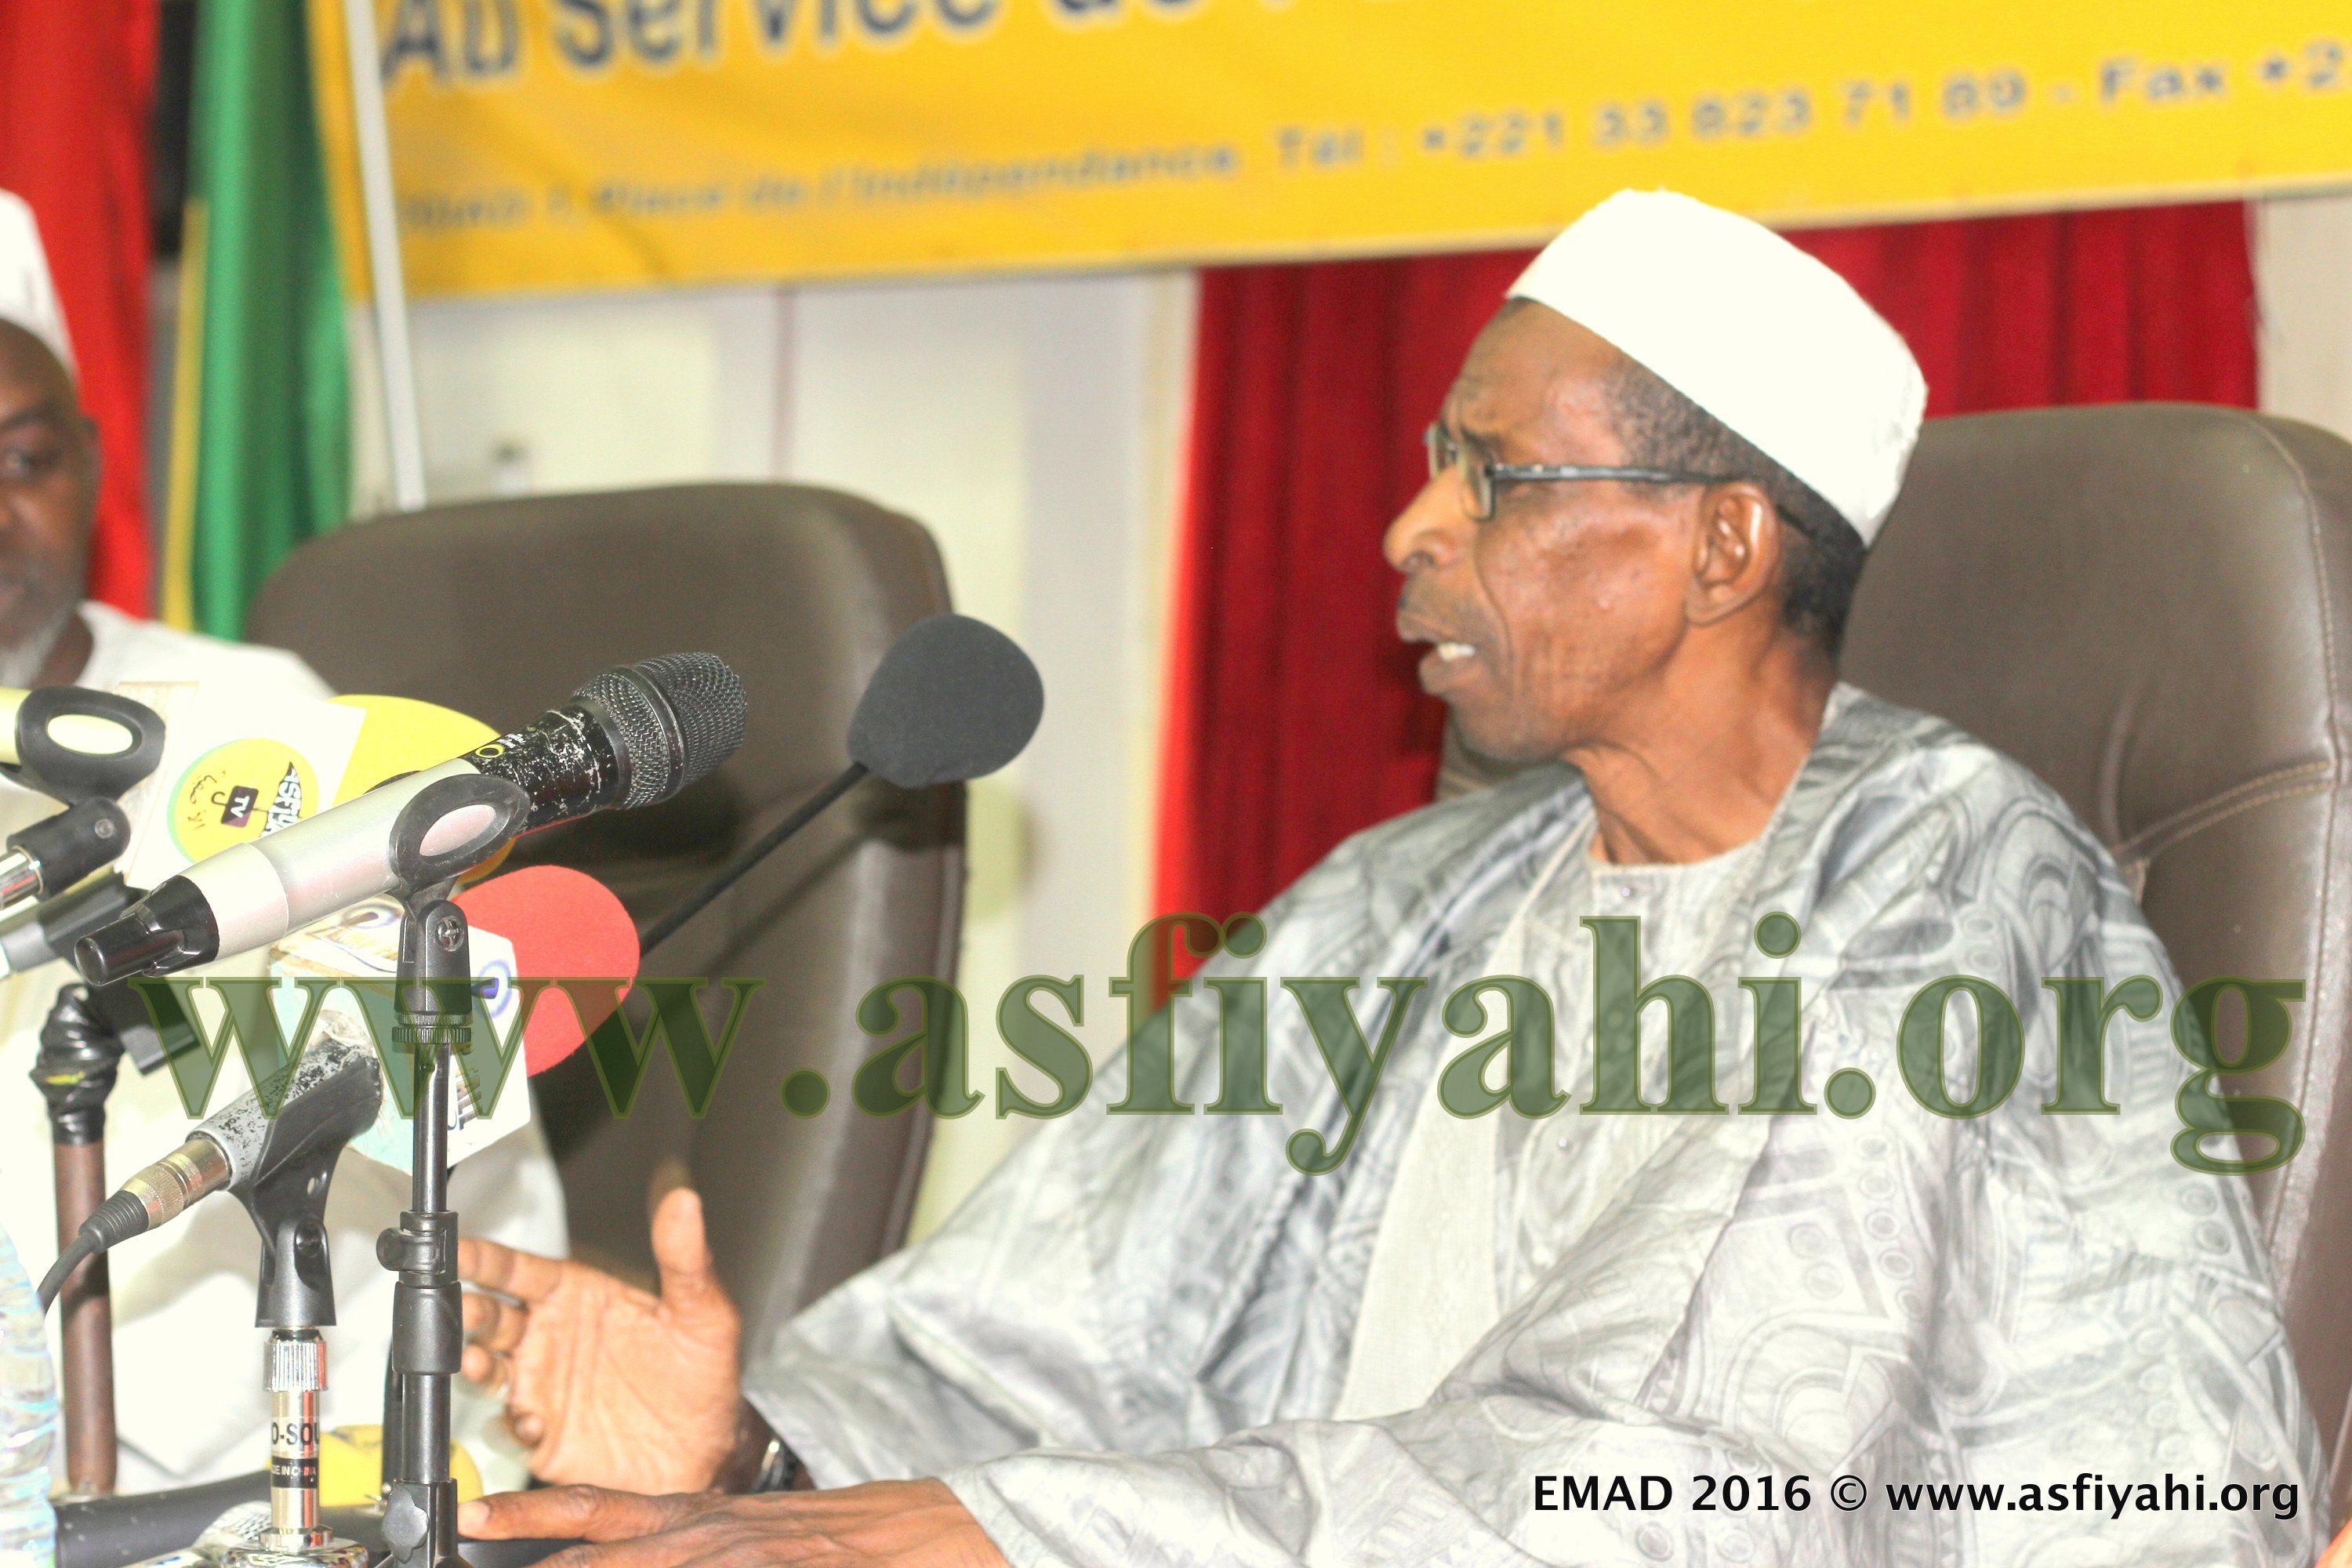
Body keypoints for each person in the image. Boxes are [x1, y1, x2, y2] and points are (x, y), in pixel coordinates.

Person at [454, 190, 2325, 1565]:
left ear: (1724, 542)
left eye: (1490, 477)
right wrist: (757, 1451)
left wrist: (1005, 1539)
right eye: (1434, 462)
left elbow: (1673, 1480)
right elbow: (1030, 1364)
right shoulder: (1401, 905)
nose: (1406, 529)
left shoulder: (1943, 881)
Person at [0, 189, 565, 1493]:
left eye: (23, 462)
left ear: (91, 463)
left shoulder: (272, 738)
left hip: (262, 1466)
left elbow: (436, 1174)